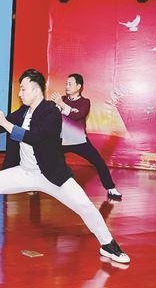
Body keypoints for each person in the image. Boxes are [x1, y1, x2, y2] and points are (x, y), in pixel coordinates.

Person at [0, 69, 129, 264]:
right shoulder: (24, 112)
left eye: (23, 89)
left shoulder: (51, 112)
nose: (20, 93)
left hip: (51, 175)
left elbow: (34, 137)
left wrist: (6, 124)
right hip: (25, 172)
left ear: (35, 89)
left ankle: (108, 244)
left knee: (84, 205)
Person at [49, 73, 123, 201]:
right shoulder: (62, 99)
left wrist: (61, 104)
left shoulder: (85, 102)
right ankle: (36, 186)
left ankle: (111, 188)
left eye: (70, 84)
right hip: (61, 140)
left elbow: (76, 115)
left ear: (78, 86)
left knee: (99, 162)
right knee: (45, 158)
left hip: (79, 141)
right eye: (66, 84)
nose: (67, 86)